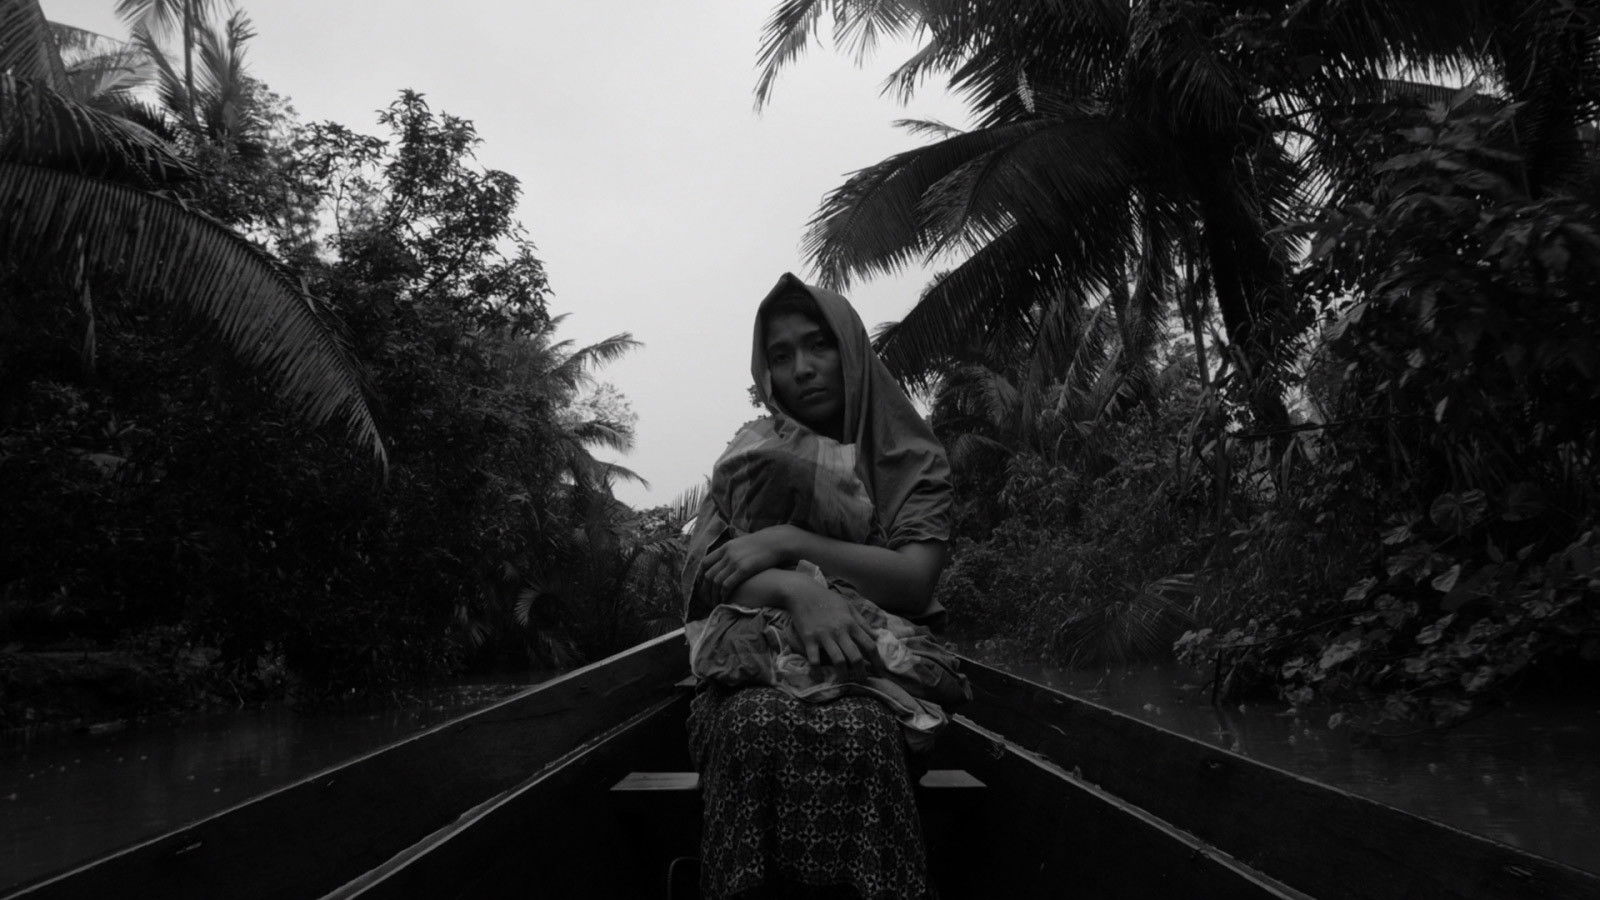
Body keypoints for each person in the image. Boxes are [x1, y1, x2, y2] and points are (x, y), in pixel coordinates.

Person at [680, 272, 956, 900]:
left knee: (863, 733)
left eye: (818, 345)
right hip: (750, 673)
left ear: (850, 351)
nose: (801, 368)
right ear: (767, 374)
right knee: (750, 725)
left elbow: (913, 582)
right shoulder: (748, 460)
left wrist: (788, 542)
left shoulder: (910, 458)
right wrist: (796, 592)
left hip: (879, 674)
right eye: (781, 356)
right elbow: (709, 583)